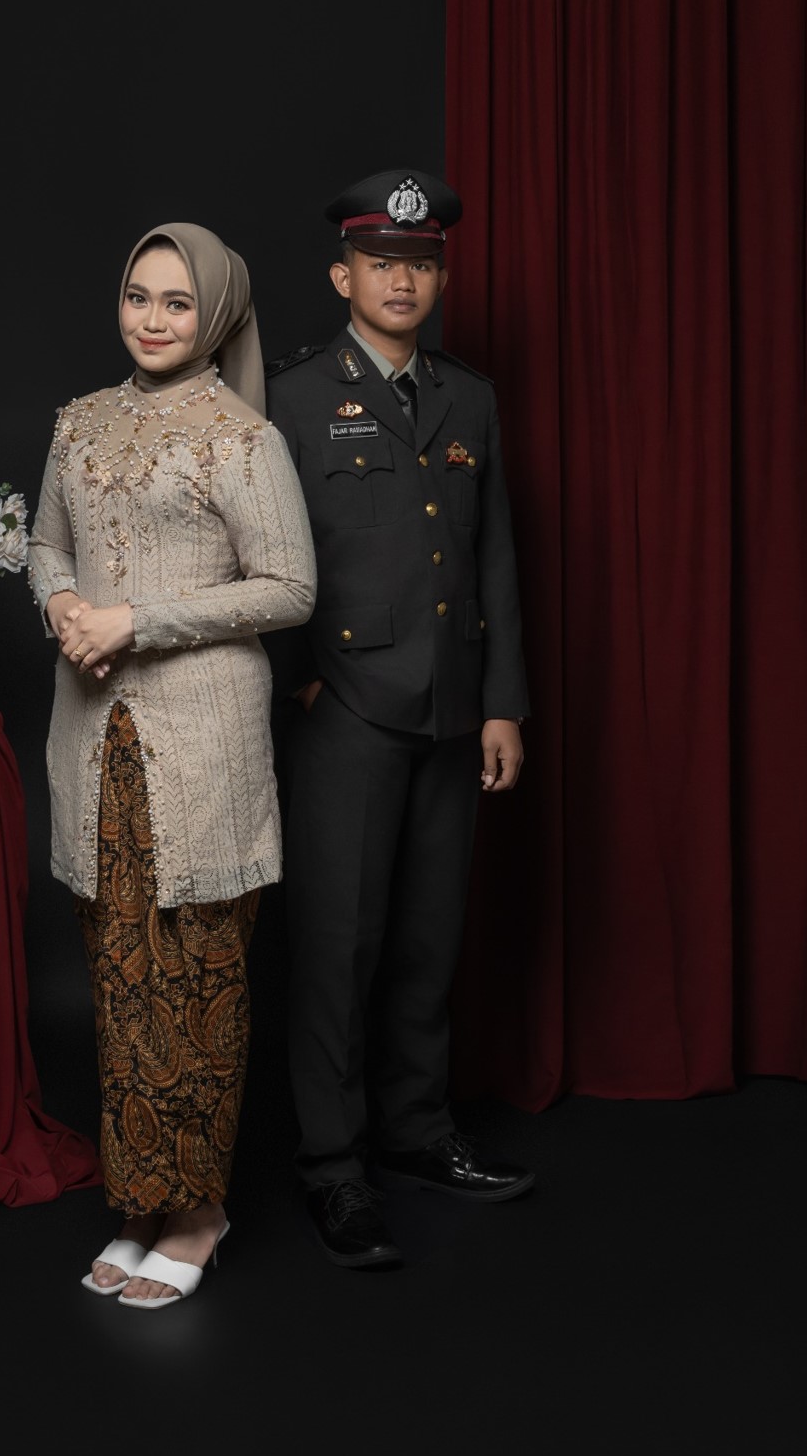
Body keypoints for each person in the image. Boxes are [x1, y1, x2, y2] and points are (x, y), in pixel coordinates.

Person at [28, 223, 315, 1309]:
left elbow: (289, 588)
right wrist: (63, 601)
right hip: (93, 744)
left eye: (177, 303)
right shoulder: (79, 420)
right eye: (137, 296)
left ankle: (197, 1214)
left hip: (200, 746)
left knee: (197, 973)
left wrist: (135, 621)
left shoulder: (242, 437)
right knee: (119, 977)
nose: (151, 319)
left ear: (218, 316)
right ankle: (139, 1202)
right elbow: (45, 542)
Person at [266, 168, 532, 1269]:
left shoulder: (467, 397)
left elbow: (494, 553)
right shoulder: (290, 398)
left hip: (451, 710)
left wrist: (502, 704)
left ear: (439, 278)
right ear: (344, 277)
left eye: (420, 265)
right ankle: (333, 1167)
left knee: (428, 937)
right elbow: (260, 552)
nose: (402, 281)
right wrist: (299, 680)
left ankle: (417, 1132)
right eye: (382, 263)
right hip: (346, 710)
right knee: (339, 946)